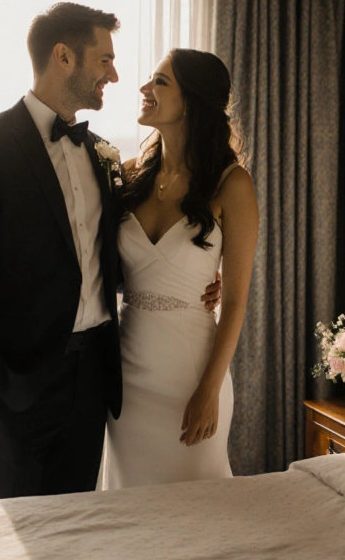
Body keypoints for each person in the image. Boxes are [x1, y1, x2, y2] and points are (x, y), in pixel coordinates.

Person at [0, 3, 219, 500]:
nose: (115, 73)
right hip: (13, 388)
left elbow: (115, 257)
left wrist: (194, 280)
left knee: (83, 538)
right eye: (104, 59)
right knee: (15, 553)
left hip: (94, 386)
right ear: (63, 56)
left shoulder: (104, 155)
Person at [103, 49, 259, 488]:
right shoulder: (127, 176)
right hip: (127, 376)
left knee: (195, 516)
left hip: (189, 375)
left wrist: (209, 390)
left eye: (160, 82)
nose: (144, 89)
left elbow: (235, 304)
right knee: (128, 510)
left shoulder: (232, 184)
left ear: (190, 101)